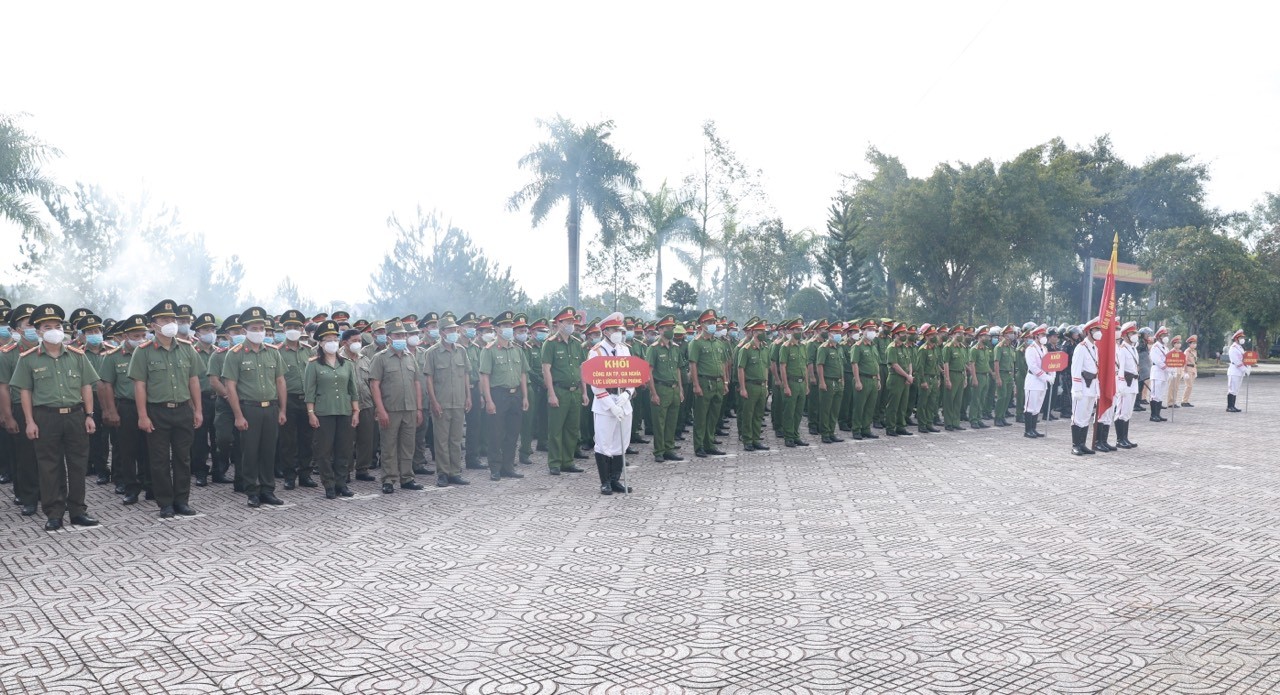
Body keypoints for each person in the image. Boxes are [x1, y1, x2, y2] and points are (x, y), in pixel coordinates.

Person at [11, 303, 101, 530]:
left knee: (78, 466)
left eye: (57, 325)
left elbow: (86, 387)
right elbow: (25, 392)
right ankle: (54, 513)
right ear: (39, 331)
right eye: (48, 326)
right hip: (45, 417)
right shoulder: (29, 358)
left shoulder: (77, 356)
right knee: (49, 467)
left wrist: (89, 415)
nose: (54, 329)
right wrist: (30, 421)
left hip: (75, 416)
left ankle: (78, 510)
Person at [128, 299, 203, 518]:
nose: (170, 323)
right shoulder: (143, 352)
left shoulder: (187, 349)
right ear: (153, 325)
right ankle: (165, 503)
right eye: (164, 319)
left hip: (182, 410)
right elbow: (139, 385)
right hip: (157, 411)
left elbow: (194, 381)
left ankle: (182, 500)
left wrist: (198, 410)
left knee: (183, 458)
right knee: (159, 459)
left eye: (172, 319)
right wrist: (142, 415)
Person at [221, 306, 288, 508]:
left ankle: (268, 490)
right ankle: (252, 490)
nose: (259, 332)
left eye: (261, 328)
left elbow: (280, 381)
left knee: (269, 451)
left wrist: (283, 409)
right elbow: (230, 386)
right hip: (249, 408)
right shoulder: (235, 354)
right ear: (245, 330)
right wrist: (238, 415)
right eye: (254, 328)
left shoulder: (273, 353)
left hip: (271, 408)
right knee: (250, 452)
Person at [99, 314, 152, 505]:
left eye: (143, 335)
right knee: (127, 449)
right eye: (135, 336)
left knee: (151, 448)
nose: (140, 340)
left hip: (150, 407)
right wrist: (111, 411)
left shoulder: (151, 352)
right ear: (125, 336)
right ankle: (131, 487)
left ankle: (150, 484)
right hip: (126, 407)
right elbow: (106, 386)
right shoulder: (113, 357)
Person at [303, 320, 359, 499]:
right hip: (324, 412)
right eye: (328, 339)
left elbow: (353, 390)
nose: (332, 342)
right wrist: (311, 413)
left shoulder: (347, 364)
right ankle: (329, 484)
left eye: (335, 338)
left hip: (344, 411)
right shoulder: (313, 364)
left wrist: (356, 411)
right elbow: (309, 391)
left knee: (344, 450)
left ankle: (341, 483)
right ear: (320, 343)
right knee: (324, 451)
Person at [369, 320, 424, 493]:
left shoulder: (410, 357)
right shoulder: (380, 358)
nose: (401, 338)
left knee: (408, 445)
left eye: (403, 335)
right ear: (390, 337)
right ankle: (389, 479)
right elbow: (374, 385)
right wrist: (380, 409)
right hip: (390, 410)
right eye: (397, 335)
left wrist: (419, 408)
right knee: (389, 446)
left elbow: (416, 383)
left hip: (409, 409)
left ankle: (407, 478)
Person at [0, 304, 42, 516]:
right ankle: (28, 497)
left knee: (47, 455)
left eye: (35, 324)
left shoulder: (46, 350)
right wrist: (7, 417)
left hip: (46, 409)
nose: (33, 328)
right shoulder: (8, 354)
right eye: (28, 324)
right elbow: (4, 388)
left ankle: (48, 493)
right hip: (19, 408)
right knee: (25, 456)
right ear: (17, 329)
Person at [478, 310, 529, 482]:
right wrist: (488, 400)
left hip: (515, 394)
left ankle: (508, 466)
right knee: (496, 433)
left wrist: (525, 397)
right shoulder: (489, 350)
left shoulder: (517, 349)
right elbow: (484, 376)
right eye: (505, 326)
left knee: (513, 433)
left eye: (510, 325)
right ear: (497, 329)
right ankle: (495, 468)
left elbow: (523, 374)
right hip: (498, 394)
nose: (508, 328)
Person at [586, 313, 633, 495]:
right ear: (605, 331)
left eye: (620, 330)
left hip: (623, 400)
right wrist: (611, 405)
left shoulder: (624, 350)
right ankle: (605, 482)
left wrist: (627, 394)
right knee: (604, 443)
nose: (618, 333)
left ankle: (615, 480)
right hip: (605, 403)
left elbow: (632, 375)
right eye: (615, 330)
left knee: (621, 443)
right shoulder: (596, 352)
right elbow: (595, 383)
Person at [424, 316, 472, 487]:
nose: (454, 332)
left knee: (456, 439)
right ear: (442, 332)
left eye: (455, 329)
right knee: (441, 440)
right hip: (442, 403)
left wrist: (468, 396)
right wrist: (434, 402)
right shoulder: (432, 352)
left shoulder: (461, 351)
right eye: (450, 330)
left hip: (459, 401)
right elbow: (429, 379)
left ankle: (455, 472)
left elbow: (466, 374)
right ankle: (443, 473)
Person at [540, 307, 587, 476]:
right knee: (556, 429)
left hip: (575, 391)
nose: (571, 325)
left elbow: (581, 368)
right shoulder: (550, 344)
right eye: (567, 322)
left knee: (572, 429)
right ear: (558, 323)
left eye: (572, 322)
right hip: (559, 390)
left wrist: (584, 392)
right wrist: (551, 393)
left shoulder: (576, 344)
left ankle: (568, 461)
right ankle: (554, 462)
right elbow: (546, 369)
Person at [276, 309, 315, 490]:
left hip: (307, 400)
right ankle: (289, 476)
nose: (293, 329)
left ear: (302, 329)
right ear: (283, 329)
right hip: (287, 400)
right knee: (288, 441)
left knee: (307, 439)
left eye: (296, 326)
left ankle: (305, 474)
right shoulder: (277, 352)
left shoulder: (309, 351)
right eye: (289, 326)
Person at [207, 314, 243, 488]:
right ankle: (222, 462)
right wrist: (229, 396)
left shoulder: (248, 353)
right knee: (223, 438)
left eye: (241, 330)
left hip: (245, 404)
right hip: (224, 404)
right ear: (228, 334)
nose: (239, 333)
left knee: (242, 442)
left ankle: (241, 479)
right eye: (235, 331)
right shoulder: (218, 355)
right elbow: (214, 380)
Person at [688, 309, 729, 457]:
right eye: (709, 322)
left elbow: (723, 363)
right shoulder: (696, 343)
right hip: (704, 382)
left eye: (713, 322)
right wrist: (696, 385)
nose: (712, 324)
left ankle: (709, 443)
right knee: (701, 416)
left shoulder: (718, 343)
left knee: (713, 416)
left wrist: (724, 382)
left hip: (717, 383)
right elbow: (693, 365)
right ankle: (699, 446)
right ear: (702, 324)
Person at [647, 314, 685, 461]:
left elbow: (678, 369)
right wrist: (653, 393)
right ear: (660, 330)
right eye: (667, 327)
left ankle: (669, 448)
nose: (671, 330)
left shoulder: (675, 348)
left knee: (671, 421)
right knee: (659, 422)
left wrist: (680, 389)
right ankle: (659, 451)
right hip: (661, 388)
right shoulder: (654, 348)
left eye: (672, 327)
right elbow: (649, 372)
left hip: (674, 389)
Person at [189, 312, 219, 487]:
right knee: (199, 439)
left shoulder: (220, 352)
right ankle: (200, 472)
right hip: (200, 399)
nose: (210, 332)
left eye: (212, 329)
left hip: (218, 400)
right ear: (197, 333)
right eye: (206, 329)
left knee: (219, 438)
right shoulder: (192, 352)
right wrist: (193, 406)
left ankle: (218, 471)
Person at [735, 317, 769, 451]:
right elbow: (740, 369)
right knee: (748, 414)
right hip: (750, 385)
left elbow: (766, 367)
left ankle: (756, 439)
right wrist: (742, 388)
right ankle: (747, 440)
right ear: (754, 332)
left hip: (761, 386)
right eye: (760, 331)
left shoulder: (765, 348)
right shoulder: (746, 349)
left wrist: (766, 385)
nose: (763, 333)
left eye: (764, 331)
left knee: (758, 414)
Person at [775, 318, 809, 448]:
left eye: (801, 329)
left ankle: (796, 435)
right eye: (797, 329)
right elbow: (782, 367)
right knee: (789, 411)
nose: (799, 332)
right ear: (790, 331)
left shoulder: (802, 346)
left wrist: (806, 385)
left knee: (798, 412)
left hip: (801, 383)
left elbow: (805, 366)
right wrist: (786, 386)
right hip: (791, 382)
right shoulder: (785, 347)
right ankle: (788, 437)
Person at [1070, 317, 1102, 456]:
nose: (1099, 332)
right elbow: (1075, 369)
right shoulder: (1081, 347)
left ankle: (1083, 444)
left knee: (1086, 416)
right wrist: (1077, 388)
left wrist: (1097, 389)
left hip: (1091, 387)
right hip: (1082, 387)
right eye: (1096, 330)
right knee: (1077, 417)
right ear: (1089, 331)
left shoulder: (1094, 348)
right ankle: (1075, 445)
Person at [814, 321, 846, 444]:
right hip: (828, 381)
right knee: (826, 409)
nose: (838, 334)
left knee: (835, 409)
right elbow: (820, 366)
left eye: (839, 332)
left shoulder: (839, 348)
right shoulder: (823, 348)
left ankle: (832, 432)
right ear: (830, 334)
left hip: (838, 382)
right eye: (836, 332)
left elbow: (840, 365)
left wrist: (842, 379)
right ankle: (825, 433)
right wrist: (821, 382)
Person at [850, 319, 881, 441]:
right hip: (863, 378)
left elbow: (876, 363)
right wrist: (857, 381)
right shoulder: (857, 346)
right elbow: (854, 364)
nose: (872, 332)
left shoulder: (873, 346)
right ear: (862, 331)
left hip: (873, 379)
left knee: (870, 406)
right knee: (859, 406)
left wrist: (878, 379)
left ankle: (866, 429)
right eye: (869, 330)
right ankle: (856, 429)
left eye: (873, 330)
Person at [1111, 322, 1141, 449]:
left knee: (1128, 412)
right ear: (1125, 336)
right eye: (1132, 333)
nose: (1135, 335)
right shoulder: (1122, 350)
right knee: (1121, 411)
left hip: (1133, 383)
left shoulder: (1133, 348)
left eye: (1135, 333)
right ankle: (1119, 439)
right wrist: (1121, 385)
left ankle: (1125, 438)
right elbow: (1120, 369)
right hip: (1125, 383)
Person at [883, 324, 914, 437]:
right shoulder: (892, 347)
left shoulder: (904, 347)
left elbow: (909, 362)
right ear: (896, 334)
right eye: (903, 333)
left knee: (903, 405)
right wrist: (907, 376)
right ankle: (890, 427)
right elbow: (895, 365)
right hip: (895, 379)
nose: (905, 335)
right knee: (893, 405)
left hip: (905, 379)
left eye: (906, 333)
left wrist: (909, 375)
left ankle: (901, 426)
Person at [1022, 325, 1052, 438]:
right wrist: (1046, 377)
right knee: (1030, 406)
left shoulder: (1044, 348)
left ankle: (1033, 429)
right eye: (1042, 335)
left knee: (1037, 407)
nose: (1044, 337)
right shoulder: (1031, 349)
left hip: (1042, 383)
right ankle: (1027, 430)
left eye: (1045, 335)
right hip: (1033, 381)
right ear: (1036, 336)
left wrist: (1051, 375)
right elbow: (1033, 367)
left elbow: (1048, 363)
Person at [1148, 326, 1170, 422]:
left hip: (1164, 373)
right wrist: (1167, 367)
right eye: (1164, 335)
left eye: (1166, 335)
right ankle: (1153, 415)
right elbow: (1156, 360)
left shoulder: (1166, 348)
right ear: (1159, 336)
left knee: (1160, 394)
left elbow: (1169, 360)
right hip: (1157, 372)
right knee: (1155, 394)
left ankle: (1158, 414)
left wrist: (1171, 369)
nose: (1166, 337)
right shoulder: (1155, 347)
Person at [1227, 329, 1249, 412]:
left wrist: (1247, 367)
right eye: (1241, 337)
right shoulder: (1233, 348)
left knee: (1236, 389)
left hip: (1239, 372)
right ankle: (1229, 406)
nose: (1243, 339)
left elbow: (1244, 359)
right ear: (1236, 338)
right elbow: (1236, 361)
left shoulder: (1240, 347)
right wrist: (1244, 369)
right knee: (1232, 389)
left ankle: (1233, 406)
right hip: (1234, 371)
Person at [1179, 335, 1198, 407]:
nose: (1194, 345)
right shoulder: (1187, 351)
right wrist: (1184, 371)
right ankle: (1184, 401)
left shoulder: (1194, 351)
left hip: (1193, 370)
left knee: (1190, 386)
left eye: (1195, 343)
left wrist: (1195, 371)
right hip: (1188, 369)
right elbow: (1185, 361)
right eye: (1193, 343)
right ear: (1189, 344)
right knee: (1188, 386)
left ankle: (1186, 401)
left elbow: (1195, 362)